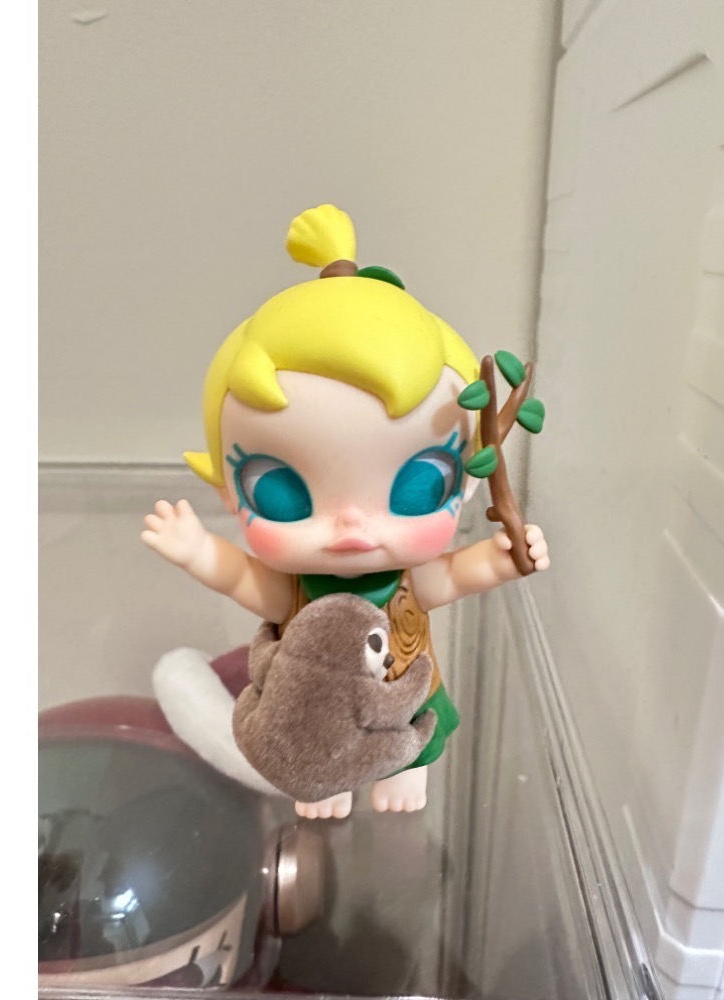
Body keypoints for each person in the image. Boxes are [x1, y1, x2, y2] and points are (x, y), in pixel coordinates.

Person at [142, 204, 549, 819]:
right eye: (279, 491)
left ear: (465, 483)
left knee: (414, 726)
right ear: (229, 491)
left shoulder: (404, 584)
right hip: (313, 727)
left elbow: (452, 575)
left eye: (419, 486)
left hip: (400, 710)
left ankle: (410, 767)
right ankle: (325, 779)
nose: (352, 526)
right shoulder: (297, 592)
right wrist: (199, 551)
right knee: (313, 747)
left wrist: (502, 560)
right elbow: (245, 579)